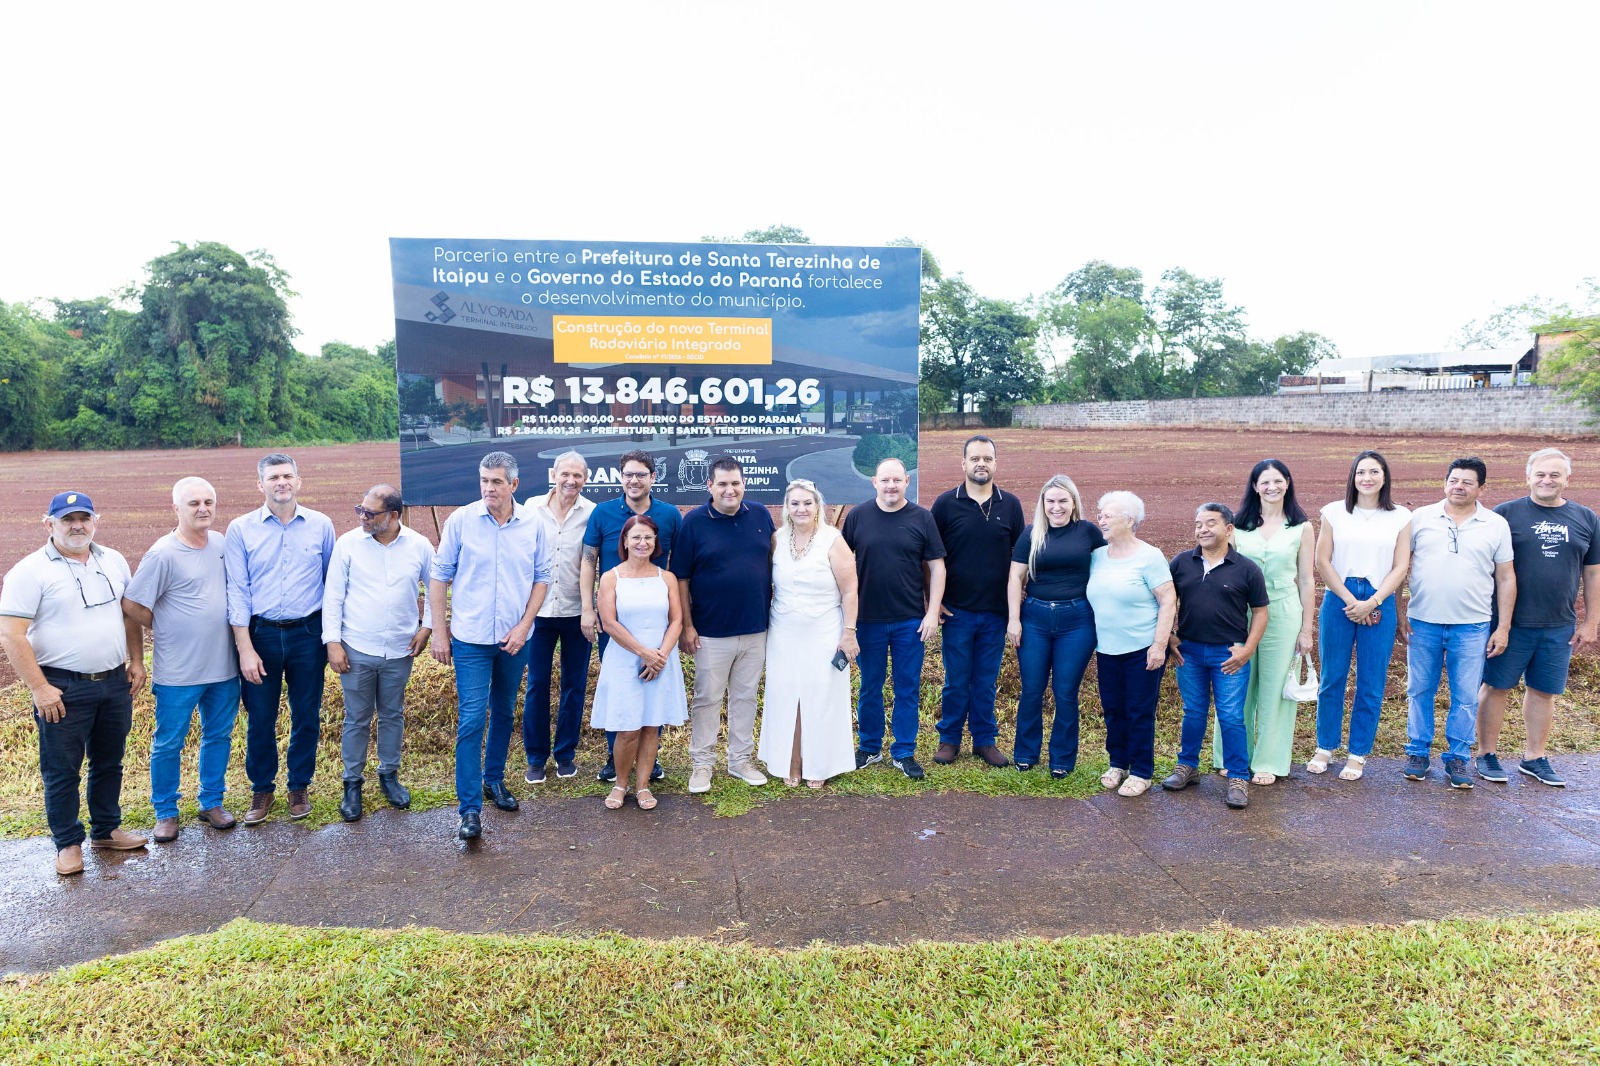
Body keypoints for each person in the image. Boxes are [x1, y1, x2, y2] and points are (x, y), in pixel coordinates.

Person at [0, 492, 147, 876]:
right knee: (62, 770)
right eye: (67, 519)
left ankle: (106, 830)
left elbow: (128, 615)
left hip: (114, 682)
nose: (77, 526)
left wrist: (136, 660)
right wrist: (40, 688)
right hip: (61, 688)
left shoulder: (112, 560)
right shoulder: (29, 571)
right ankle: (67, 844)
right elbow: (11, 634)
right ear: (49, 524)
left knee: (109, 761)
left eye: (84, 518)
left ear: (96, 520)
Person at [430, 451, 551, 840]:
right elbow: (439, 576)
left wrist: (524, 626)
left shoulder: (532, 524)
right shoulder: (461, 520)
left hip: (515, 639)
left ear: (514, 484)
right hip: (471, 640)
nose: (488, 488)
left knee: (503, 711)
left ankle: (493, 778)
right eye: (484, 480)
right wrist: (439, 631)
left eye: (496, 481)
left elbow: (542, 578)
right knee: (471, 720)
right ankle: (469, 810)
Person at [122, 477, 239, 843]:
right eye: (194, 503)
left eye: (208, 501)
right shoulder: (163, 553)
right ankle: (166, 811)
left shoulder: (221, 543)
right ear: (176, 508)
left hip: (224, 667)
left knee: (218, 735)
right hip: (178, 671)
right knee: (169, 742)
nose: (203, 508)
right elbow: (131, 604)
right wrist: (164, 623)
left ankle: (211, 802)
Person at [1475, 448, 1599, 788]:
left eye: (1555, 475)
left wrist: (1591, 621)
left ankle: (1534, 757)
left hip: (1558, 624)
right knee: (1496, 687)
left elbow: (1592, 572)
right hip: (1510, 623)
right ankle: (1486, 753)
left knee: (1544, 691)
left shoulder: (1586, 518)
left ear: (1567, 479)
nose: (1547, 480)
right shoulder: (1505, 515)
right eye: (1541, 474)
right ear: (1528, 477)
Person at [225, 453, 336, 825]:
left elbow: (332, 585)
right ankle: (262, 789)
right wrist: (244, 648)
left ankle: (299, 786)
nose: (281, 482)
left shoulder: (321, 525)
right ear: (261, 485)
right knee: (260, 717)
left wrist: (332, 637)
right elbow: (237, 590)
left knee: (306, 714)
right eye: (273, 477)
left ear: (299, 481)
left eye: (287, 476)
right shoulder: (241, 529)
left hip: (309, 633)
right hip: (261, 635)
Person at [1400, 457, 1514, 789]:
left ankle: (1458, 758)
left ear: (1481, 488)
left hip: (1472, 625)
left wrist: (1503, 627)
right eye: (1453, 480)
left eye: (1467, 482)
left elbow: (1506, 578)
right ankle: (1418, 752)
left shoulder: (1495, 524)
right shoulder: (1420, 518)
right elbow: (1400, 567)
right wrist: (1399, 613)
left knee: (1465, 695)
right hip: (1423, 622)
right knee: (1419, 690)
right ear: (1445, 482)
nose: (1458, 487)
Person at [323, 484, 433, 822]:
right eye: (361, 510)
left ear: (393, 515)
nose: (362, 517)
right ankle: (352, 783)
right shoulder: (347, 544)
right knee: (356, 718)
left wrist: (427, 627)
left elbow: (436, 588)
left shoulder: (419, 546)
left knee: (392, 714)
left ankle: (389, 775)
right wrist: (333, 642)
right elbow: (333, 596)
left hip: (400, 650)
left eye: (370, 513)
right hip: (357, 647)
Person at [671, 457, 776, 793]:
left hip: (756, 628)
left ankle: (740, 760)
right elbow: (681, 578)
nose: (729, 490)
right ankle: (702, 764)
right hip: (710, 633)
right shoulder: (694, 522)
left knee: (745, 698)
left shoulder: (760, 515)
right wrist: (687, 627)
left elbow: (772, 562)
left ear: (744, 484)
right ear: (710, 486)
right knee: (707, 699)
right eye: (722, 484)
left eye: (735, 483)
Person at [1309, 451, 1411, 782]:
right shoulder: (1334, 512)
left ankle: (1357, 753)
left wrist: (1374, 601)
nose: (1367, 478)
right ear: (1353, 477)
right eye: (1361, 472)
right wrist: (1352, 600)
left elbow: (1401, 566)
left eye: (1374, 472)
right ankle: (1325, 746)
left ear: (1385, 477)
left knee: (1371, 680)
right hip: (1340, 597)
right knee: (1333, 676)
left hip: (1379, 596)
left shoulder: (1400, 516)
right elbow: (1322, 561)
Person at [842, 458, 946, 779]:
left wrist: (932, 612)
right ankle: (870, 747)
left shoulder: (922, 518)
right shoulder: (857, 516)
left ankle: (903, 752)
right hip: (867, 620)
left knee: (907, 688)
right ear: (874, 482)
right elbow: (841, 565)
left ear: (907, 482)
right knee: (869, 687)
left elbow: (937, 567)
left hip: (909, 621)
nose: (891, 486)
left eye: (897, 480)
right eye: (885, 480)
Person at [1161, 503, 1270, 809]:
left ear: (1228, 529)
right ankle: (1187, 766)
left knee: (1231, 716)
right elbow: (1165, 601)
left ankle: (1237, 776)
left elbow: (1261, 611)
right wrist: (1169, 635)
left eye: (1210, 523)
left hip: (1229, 655)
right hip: (1190, 652)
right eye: (1198, 524)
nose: (1203, 529)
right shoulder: (1181, 563)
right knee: (1193, 712)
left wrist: (1248, 649)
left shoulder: (1247, 568)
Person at [581, 448, 680, 783]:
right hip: (617, 619)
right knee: (621, 690)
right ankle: (616, 756)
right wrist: (587, 608)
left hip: (655, 616)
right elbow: (588, 561)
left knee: (653, 686)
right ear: (620, 477)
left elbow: (679, 566)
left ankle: (650, 759)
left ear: (653, 477)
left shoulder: (669, 515)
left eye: (641, 474)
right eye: (628, 474)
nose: (634, 480)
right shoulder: (603, 513)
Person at [757, 479, 860, 787]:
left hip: (824, 630)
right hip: (783, 630)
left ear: (818, 506)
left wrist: (849, 632)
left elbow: (850, 590)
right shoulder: (777, 539)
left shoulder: (833, 540)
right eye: (795, 503)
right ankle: (791, 761)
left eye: (807, 503)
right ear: (786, 508)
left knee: (821, 695)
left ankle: (820, 765)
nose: (801, 509)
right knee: (785, 694)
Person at [1219, 460, 1315, 785]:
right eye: (1265, 481)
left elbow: (1306, 579)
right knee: (1236, 684)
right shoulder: (1238, 526)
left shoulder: (1301, 527)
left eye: (1278, 480)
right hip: (1241, 612)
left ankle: (1268, 761)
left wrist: (1306, 629)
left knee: (1275, 689)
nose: (1272, 487)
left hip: (1284, 611)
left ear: (1287, 483)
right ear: (1255, 486)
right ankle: (1231, 756)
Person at [931, 435, 1024, 767]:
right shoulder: (945, 504)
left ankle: (984, 741)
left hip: (996, 612)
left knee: (985, 681)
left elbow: (1021, 558)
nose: (981, 464)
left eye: (987, 458)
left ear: (995, 463)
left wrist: (1016, 607)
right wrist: (933, 601)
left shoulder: (1010, 505)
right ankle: (949, 739)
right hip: (957, 611)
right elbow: (930, 557)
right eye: (975, 458)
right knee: (956, 681)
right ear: (963, 463)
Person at [1006, 474, 1105, 777]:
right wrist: (1013, 620)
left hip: (1077, 621)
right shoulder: (1032, 533)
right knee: (1032, 689)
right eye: (1050, 501)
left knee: (1065, 691)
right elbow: (1015, 578)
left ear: (1073, 502)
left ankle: (1062, 759)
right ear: (1043, 503)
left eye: (1063, 500)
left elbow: (1108, 569)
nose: (1056, 507)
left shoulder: (1088, 532)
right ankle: (1025, 753)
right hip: (1034, 618)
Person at [591, 515, 686, 811]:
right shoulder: (611, 578)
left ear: (655, 541)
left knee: (651, 726)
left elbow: (676, 620)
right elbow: (609, 622)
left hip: (661, 660)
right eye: (636, 537)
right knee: (628, 727)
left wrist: (660, 656)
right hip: (625, 660)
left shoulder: (666, 578)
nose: (642, 543)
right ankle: (620, 784)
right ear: (625, 541)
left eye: (648, 537)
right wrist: (644, 653)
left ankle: (643, 785)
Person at [1085, 491, 1175, 798]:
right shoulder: (1098, 555)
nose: (1101, 520)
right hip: (1107, 649)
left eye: (1108, 516)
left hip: (1142, 649)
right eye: (1100, 515)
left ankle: (1141, 771)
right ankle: (1118, 764)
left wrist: (1159, 645)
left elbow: (1168, 600)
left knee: (1139, 711)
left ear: (1129, 520)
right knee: (1113, 709)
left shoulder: (1149, 556)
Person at [523, 451, 596, 784]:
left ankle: (565, 754)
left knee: (574, 686)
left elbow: (593, 561)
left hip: (577, 613)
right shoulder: (531, 508)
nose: (571, 481)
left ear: (586, 479)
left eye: (577, 475)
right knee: (537, 685)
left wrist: (591, 610)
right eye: (565, 474)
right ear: (553, 475)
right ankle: (536, 758)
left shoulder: (592, 513)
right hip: (538, 613)